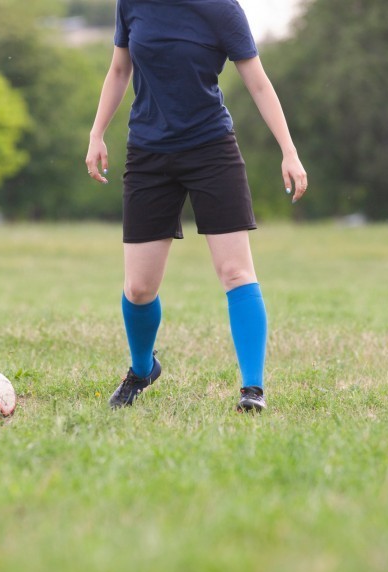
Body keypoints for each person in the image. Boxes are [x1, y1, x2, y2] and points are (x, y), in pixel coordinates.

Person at [85, 0, 307, 412]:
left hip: (211, 149)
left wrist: (288, 151)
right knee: (138, 288)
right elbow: (119, 69)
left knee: (236, 271)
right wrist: (97, 132)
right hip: (149, 154)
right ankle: (141, 369)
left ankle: (252, 390)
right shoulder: (131, 3)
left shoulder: (222, 8)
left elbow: (258, 82)